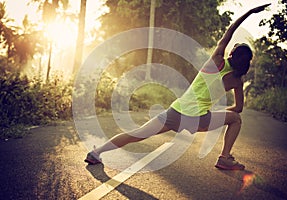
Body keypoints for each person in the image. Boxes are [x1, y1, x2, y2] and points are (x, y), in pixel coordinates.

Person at [84, 4, 271, 170]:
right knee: (235, 119)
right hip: (199, 120)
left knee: (137, 134)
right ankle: (224, 158)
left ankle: (96, 152)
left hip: (176, 112)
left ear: (231, 53)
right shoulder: (238, 82)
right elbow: (238, 109)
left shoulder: (217, 61)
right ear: (246, 63)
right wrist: (213, 113)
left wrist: (249, 12)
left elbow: (229, 31)